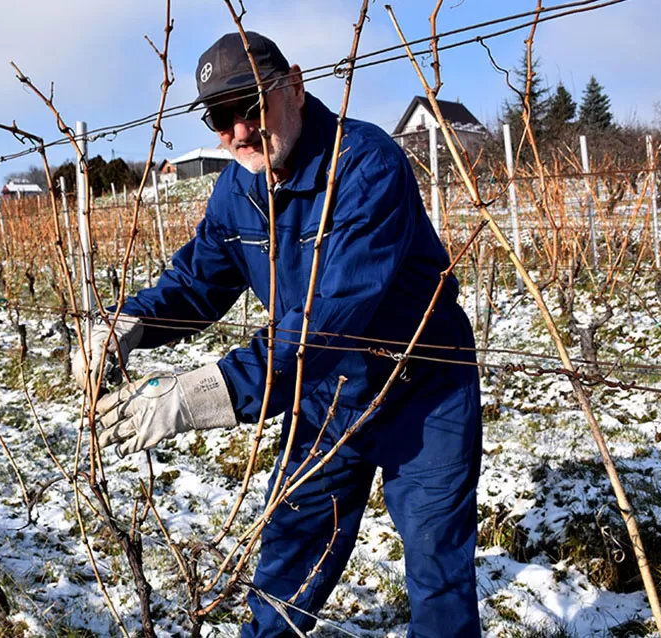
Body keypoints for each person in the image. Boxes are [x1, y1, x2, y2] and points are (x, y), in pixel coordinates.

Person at [73, 31, 482, 638]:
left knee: (436, 570)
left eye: (251, 105)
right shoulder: (237, 188)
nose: (239, 132)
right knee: (285, 568)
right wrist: (128, 324)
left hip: (419, 392)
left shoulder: (366, 167)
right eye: (220, 118)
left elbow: (326, 324)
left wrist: (197, 395)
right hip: (320, 402)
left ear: (293, 83)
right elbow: (198, 281)